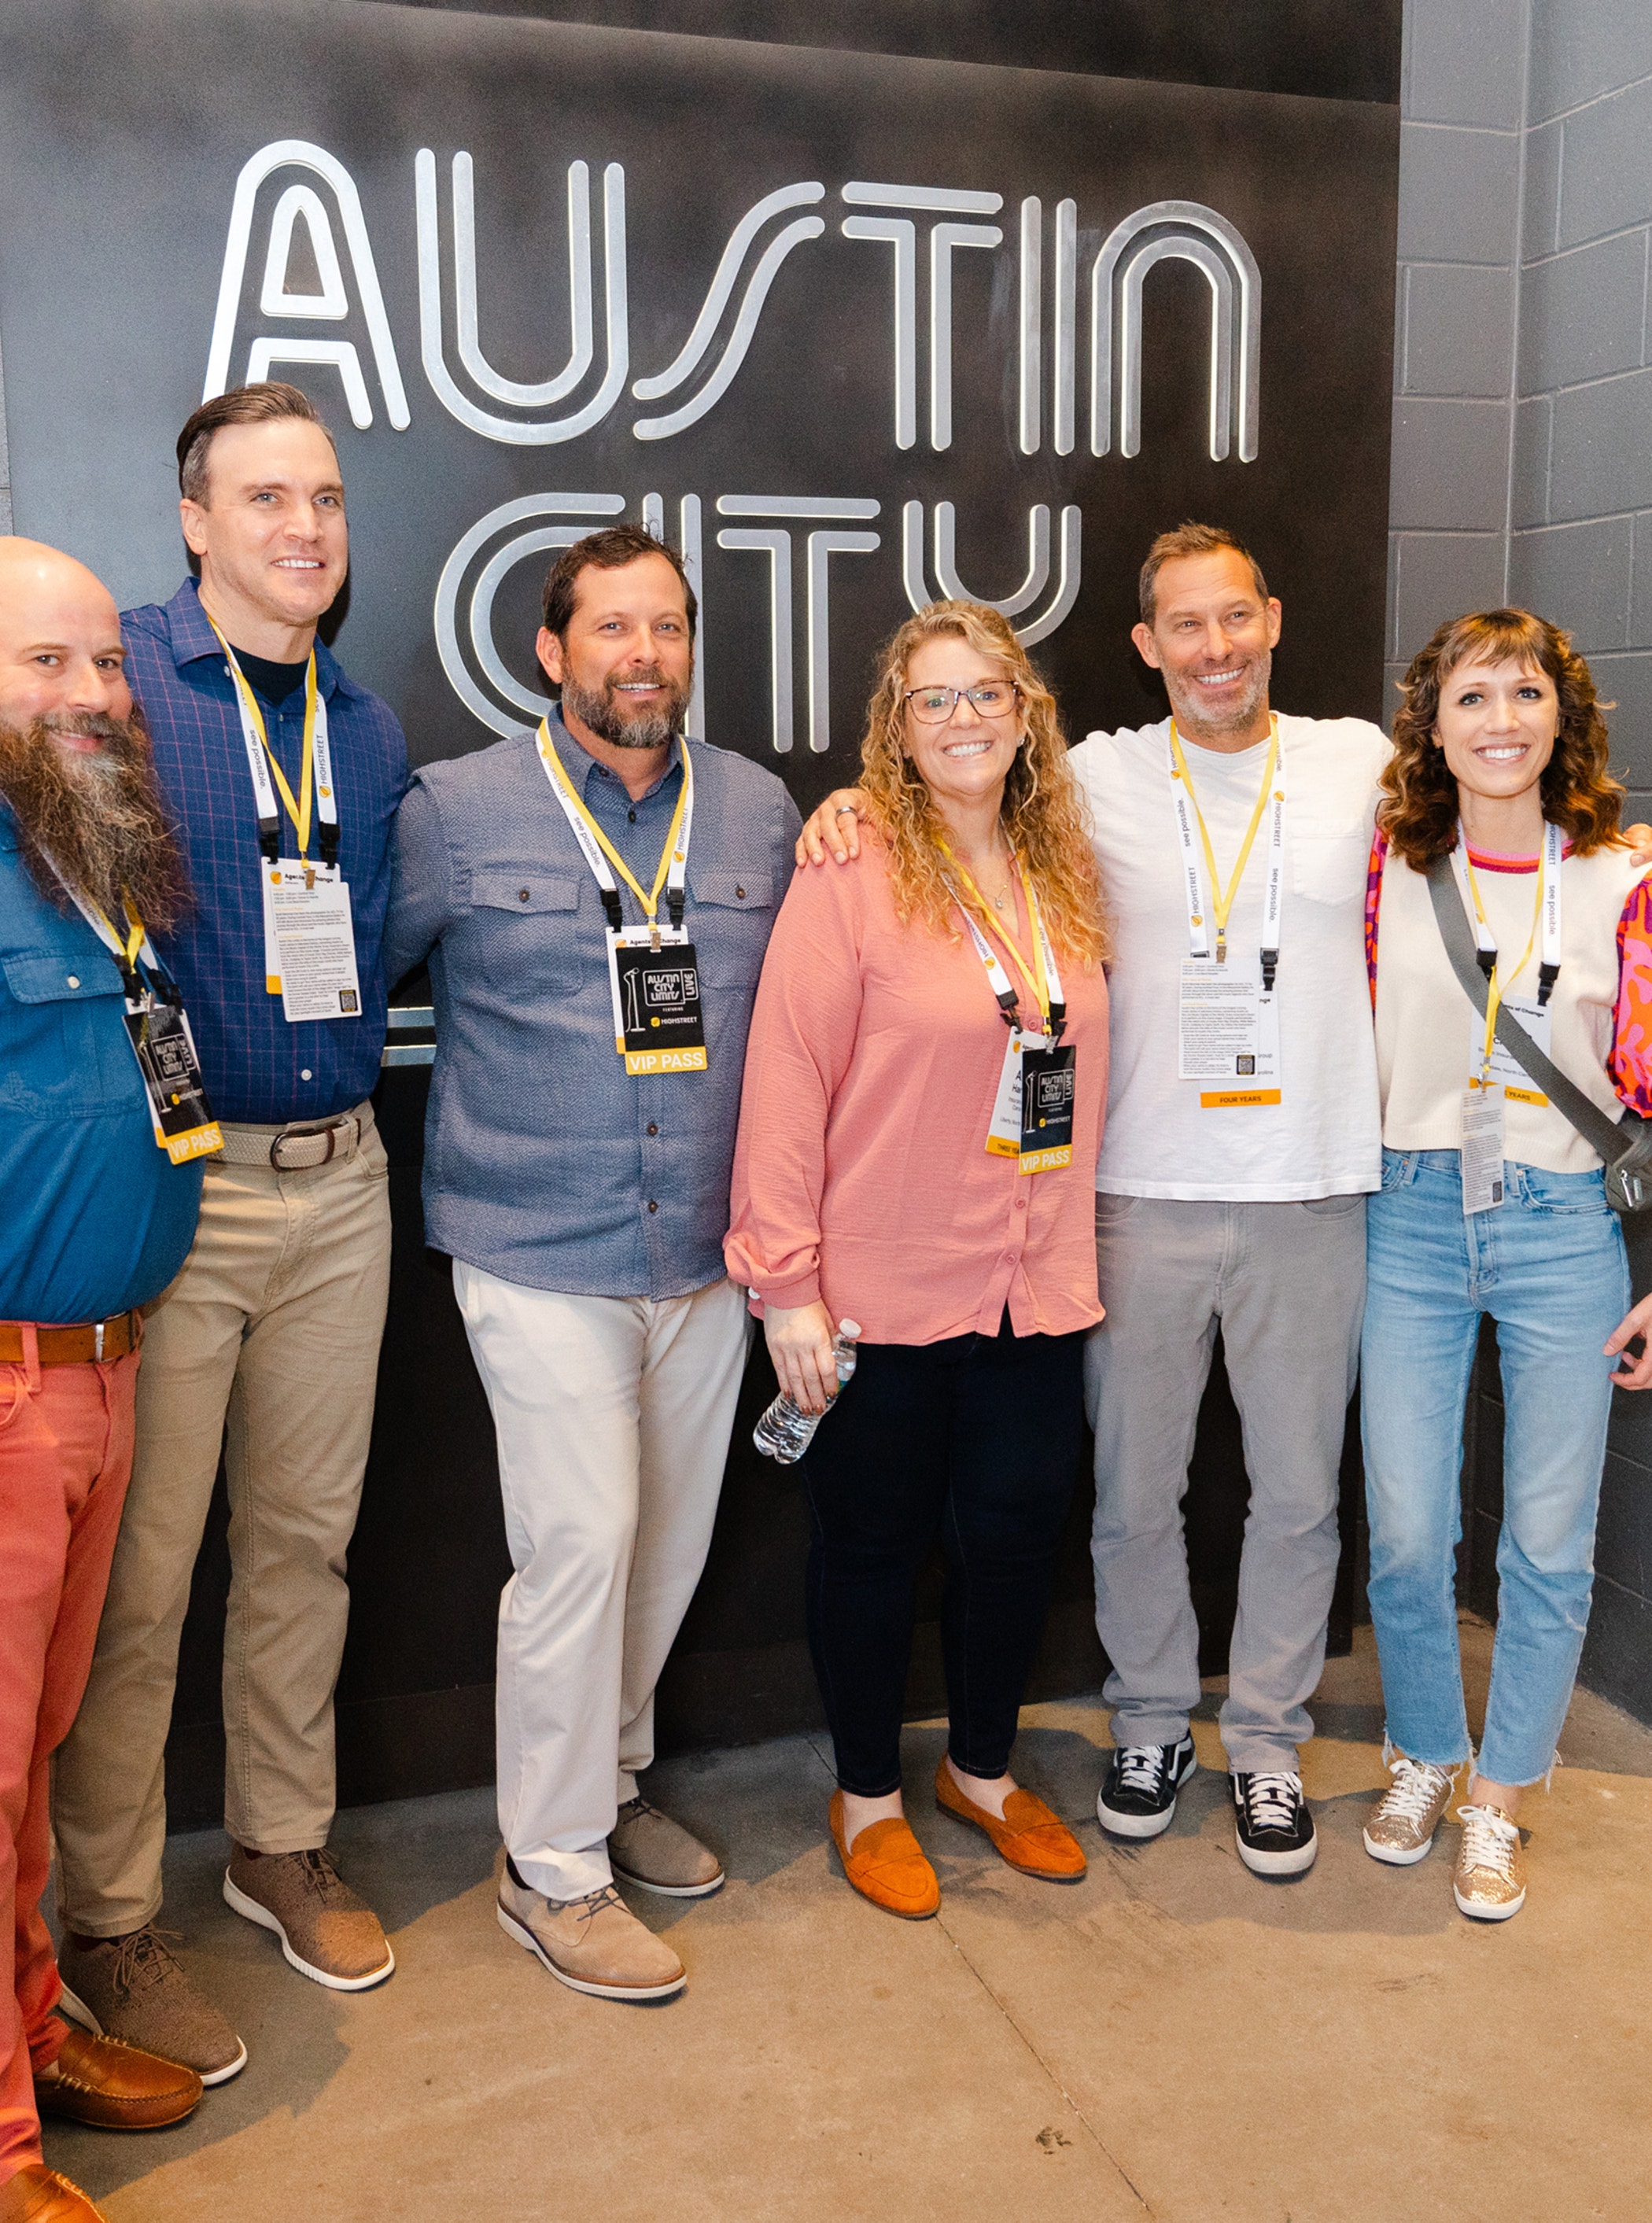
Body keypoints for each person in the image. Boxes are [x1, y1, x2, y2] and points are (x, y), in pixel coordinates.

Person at [798, 523, 1387, 1878]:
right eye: (1186, 624)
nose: (1217, 647)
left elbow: (1503, 784)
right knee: (1132, 1494)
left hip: (1310, 1190)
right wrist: (846, 803)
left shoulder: (1361, 760)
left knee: (1298, 1494)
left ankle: (1274, 1739)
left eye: (1236, 616)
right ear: (1145, 646)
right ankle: (1146, 1723)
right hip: (1129, 1200)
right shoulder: (1089, 778)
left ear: (1276, 618)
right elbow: (941, 775)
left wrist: (1614, 838)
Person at [382, 523, 800, 2001]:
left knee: (668, 1544)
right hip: (534, 1243)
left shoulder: (759, 814)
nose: (645, 655)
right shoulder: (455, 810)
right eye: (613, 629)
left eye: (669, 628)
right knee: (580, 1548)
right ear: (552, 652)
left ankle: (612, 1788)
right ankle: (548, 1868)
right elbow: (351, 983)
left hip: (702, 1253)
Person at [53, 384, 408, 2082]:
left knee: (303, 1545)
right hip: (182, 1189)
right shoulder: (109, 686)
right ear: (195, 520)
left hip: (345, 1186)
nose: (304, 528)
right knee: (144, 1579)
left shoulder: (371, 722)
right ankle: (109, 1921)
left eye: (326, 497)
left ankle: (280, 1839)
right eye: (266, 497)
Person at [728, 600, 1108, 1919]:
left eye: (986, 694)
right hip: (880, 1288)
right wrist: (787, 1287)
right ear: (898, 727)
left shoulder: (1065, 864)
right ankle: (869, 1793)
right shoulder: (853, 868)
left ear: (1025, 713)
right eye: (933, 699)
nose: (963, 719)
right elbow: (786, 1075)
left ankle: (986, 1773)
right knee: (875, 1544)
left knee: (1013, 1537)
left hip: (1034, 1279)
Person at [1359, 608, 1652, 1920]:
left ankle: (1505, 1793)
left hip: (1562, 1222)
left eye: (1525, 694)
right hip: (1411, 1208)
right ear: (1434, 721)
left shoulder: (1621, 882)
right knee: (1413, 1528)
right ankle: (1427, 1746)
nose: (1500, 720)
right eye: (1472, 696)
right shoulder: (1383, 861)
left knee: (1547, 1539)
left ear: (1562, 718)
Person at [0, 539, 212, 2223]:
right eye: (40, 666)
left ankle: (31, 2034)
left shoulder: (93, 854)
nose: (85, 696)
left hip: (103, 1378)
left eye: (103, 666)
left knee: (39, 1754)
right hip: (3, 1396)